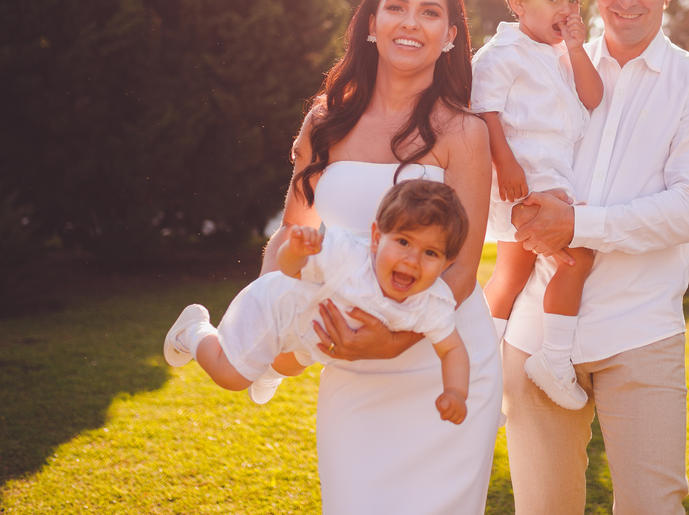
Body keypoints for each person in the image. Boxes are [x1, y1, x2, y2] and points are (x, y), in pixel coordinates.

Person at [502, 0, 689, 515]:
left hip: (641, 332)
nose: (626, 0)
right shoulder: (542, 62)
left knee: (653, 508)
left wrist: (578, 226)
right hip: (534, 334)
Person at [259, 0, 500, 514]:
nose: (410, 22)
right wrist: (270, 313)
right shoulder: (325, 122)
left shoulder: (464, 132)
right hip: (354, 367)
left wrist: (397, 340)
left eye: (430, 12)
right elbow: (293, 236)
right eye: (396, 7)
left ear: (450, 37)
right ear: (371, 24)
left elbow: (462, 269)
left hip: (443, 361)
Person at [163, 179, 471, 425]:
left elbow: (452, 348)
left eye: (430, 253)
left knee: (294, 365)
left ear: (447, 260)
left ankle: (269, 370)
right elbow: (289, 269)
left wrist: (456, 392)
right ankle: (194, 330)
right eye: (403, 242)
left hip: (310, 332)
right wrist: (296, 251)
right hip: (274, 309)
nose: (412, 260)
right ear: (376, 238)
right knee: (231, 377)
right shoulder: (346, 255)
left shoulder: (433, 302)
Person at [472, 0, 603, 410]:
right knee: (579, 251)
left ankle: (478, 369)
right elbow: (483, 110)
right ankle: (553, 356)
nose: (567, 11)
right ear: (517, 1)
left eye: (575, 1)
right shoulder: (501, 54)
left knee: (511, 276)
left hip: (551, 181)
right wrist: (504, 164)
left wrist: (574, 46)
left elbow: (593, 97)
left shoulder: (562, 54)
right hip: (525, 183)